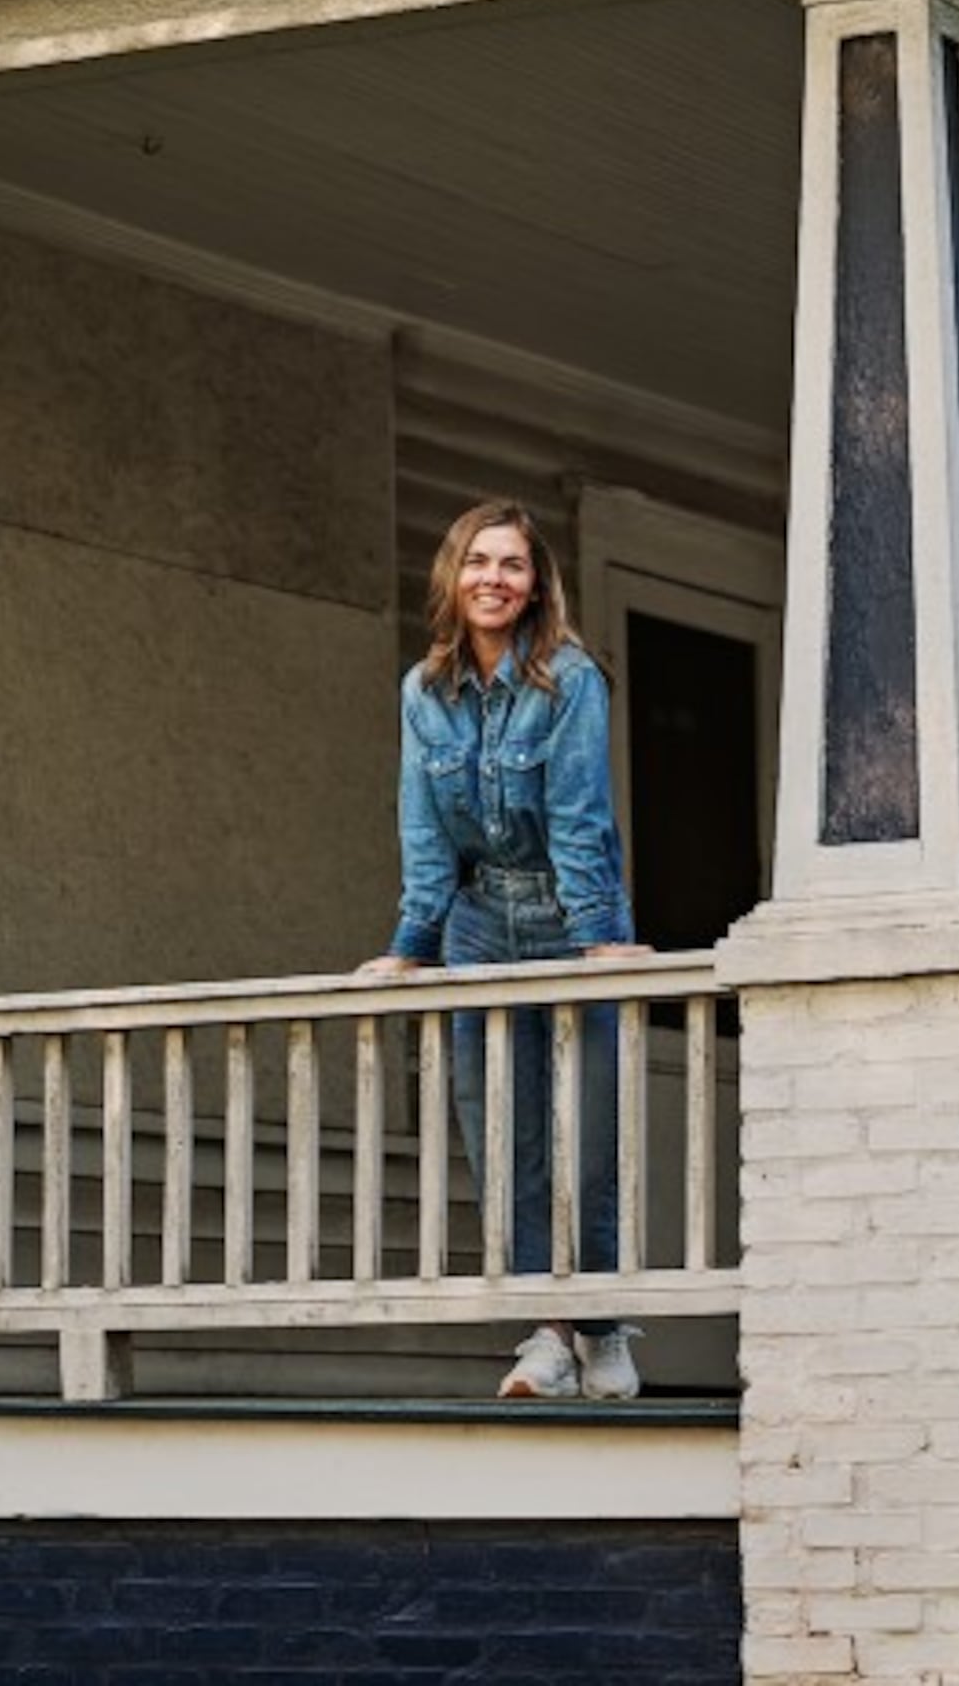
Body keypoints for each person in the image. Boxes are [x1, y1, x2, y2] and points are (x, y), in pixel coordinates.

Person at [357, 498, 649, 1401]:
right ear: (454, 575)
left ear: (534, 585)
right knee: (502, 1141)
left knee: (588, 1143)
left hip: (568, 916)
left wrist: (600, 939)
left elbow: (578, 818)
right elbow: (424, 830)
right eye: (478, 561)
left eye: (512, 565)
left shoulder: (568, 679)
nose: (494, 578)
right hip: (478, 927)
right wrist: (412, 944)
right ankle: (556, 1332)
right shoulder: (424, 691)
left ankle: (595, 1328)